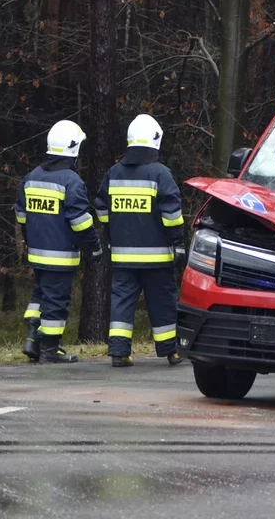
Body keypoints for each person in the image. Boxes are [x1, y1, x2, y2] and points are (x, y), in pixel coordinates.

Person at [94, 114, 188, 367]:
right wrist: (178, 243)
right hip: (157, 258)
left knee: (122, 302)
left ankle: (119, 352)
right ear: (155, 141)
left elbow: (101, 209)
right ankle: (171, 351)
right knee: (162, 302)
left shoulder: (114, 173)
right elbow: (171, 215)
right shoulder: (160, 174)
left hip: (123, 256)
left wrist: (113, 230)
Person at [14, 119, 103, 363]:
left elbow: (21, 215)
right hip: (60, 254)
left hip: (37, 252)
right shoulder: (71, 181)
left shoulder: (31, 177)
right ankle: (50, 350)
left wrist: (29, 238)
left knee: (40, 295)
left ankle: (33, 339)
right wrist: (94, 246)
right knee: (56, 301)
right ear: (73, 149)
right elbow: (80, 221)